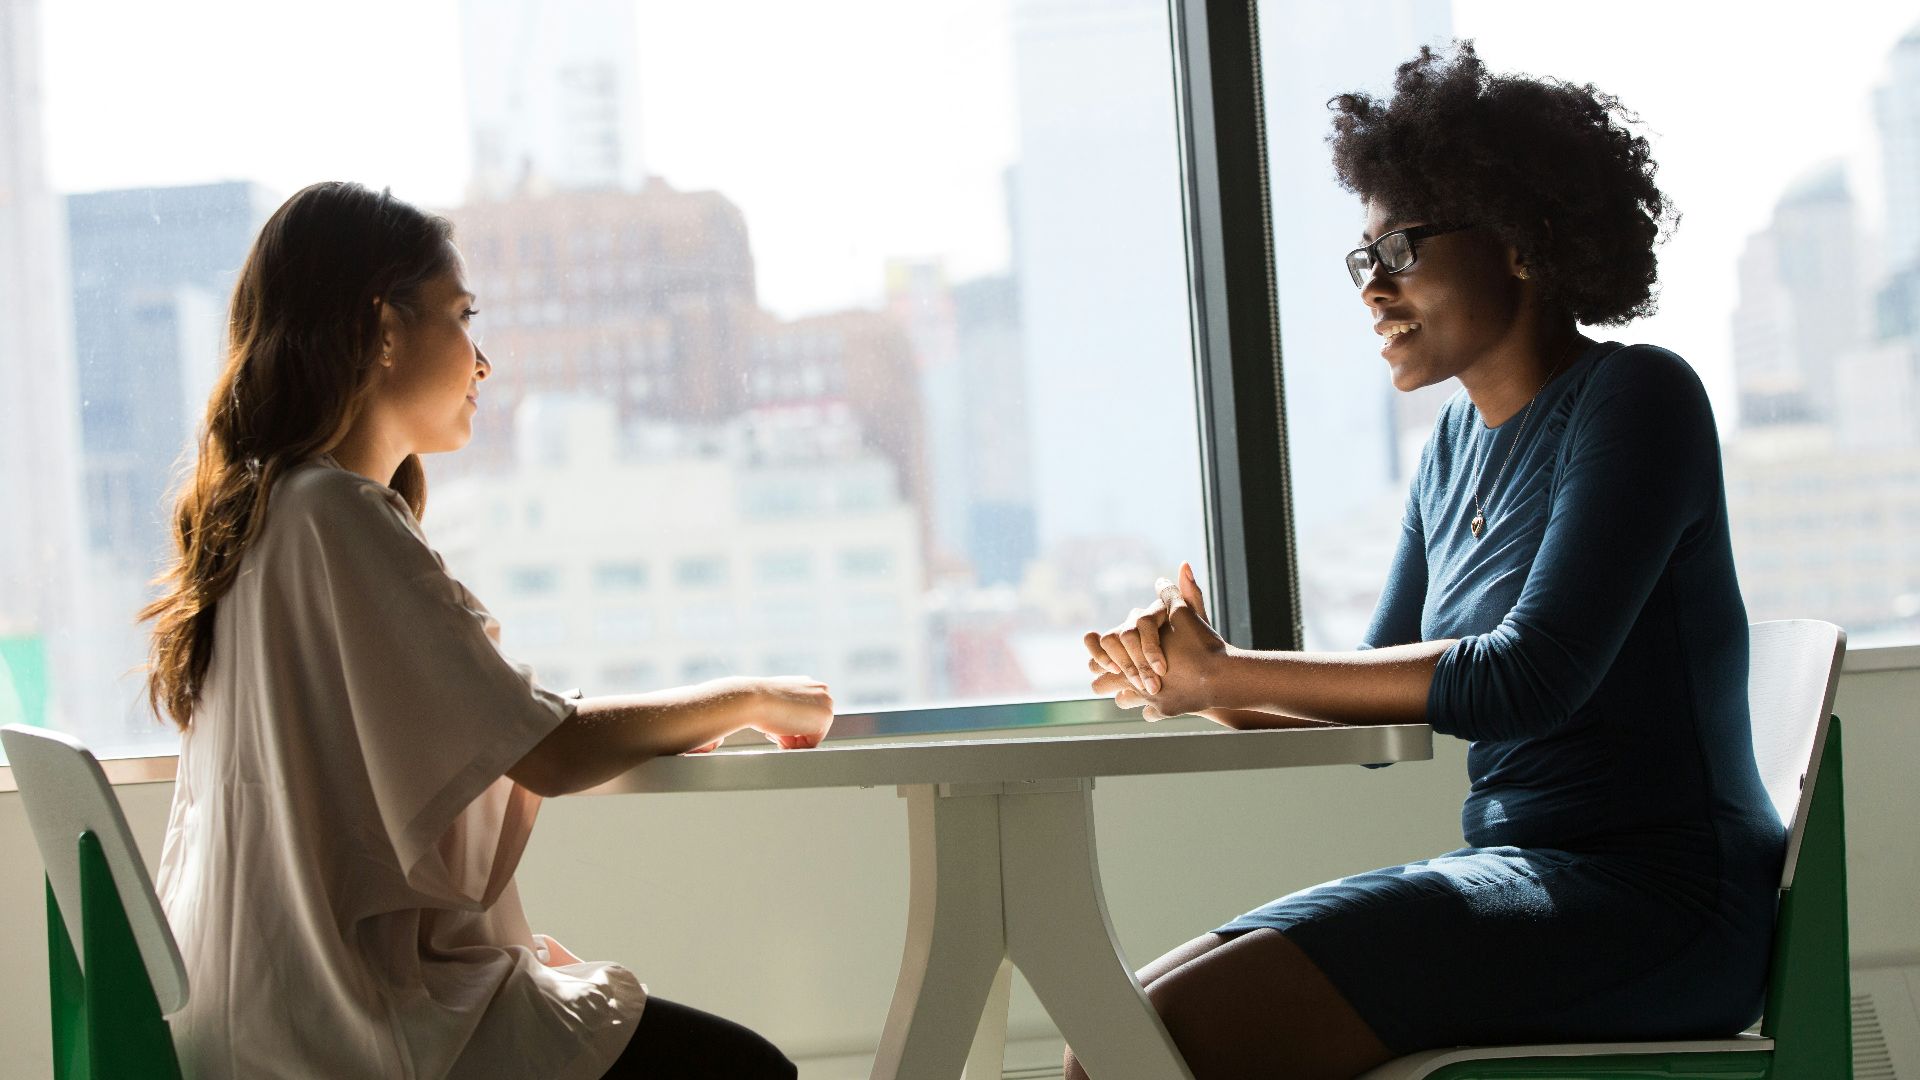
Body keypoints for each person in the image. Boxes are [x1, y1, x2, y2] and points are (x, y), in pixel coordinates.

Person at [1074, 42, 1783, 1080]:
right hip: (1524, 877)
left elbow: (1526, 678)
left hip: (1658, 903)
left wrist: (1229, 669)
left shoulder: (1639, 400)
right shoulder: (1451, 451)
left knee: (1148, 1057)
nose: (1373, 289)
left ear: (1523, 242)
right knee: (1114, 1044)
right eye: (1363, 260)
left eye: (1400, 249)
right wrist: (1199, 687)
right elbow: (1384, 702)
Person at [143, 181, 832, 1080]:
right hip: (347, 1029)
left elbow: (472, 738)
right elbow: (544, 749)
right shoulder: (334, 516)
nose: (484, 361)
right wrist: (749, 696)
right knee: (749, 1071)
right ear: (384, 329)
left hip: (258, 1016)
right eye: (463, 316)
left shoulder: (268, 516)